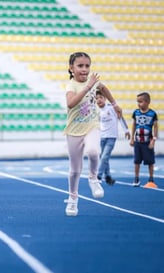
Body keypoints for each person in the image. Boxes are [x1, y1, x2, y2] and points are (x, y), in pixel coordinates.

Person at [64, 52, 122, 216]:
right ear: (71, 68)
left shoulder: (94, 82)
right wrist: (88, 86)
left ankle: (93, 178)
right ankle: (73, 199)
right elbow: (70, 103)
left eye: (87, 66)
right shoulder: (72, 86)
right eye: (80, 66)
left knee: (93, 151)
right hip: (74, 131)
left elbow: (103, 88)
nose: (84, 69)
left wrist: (115, 104)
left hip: (92, 125)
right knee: (74, 171)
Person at [95, 90, 130, 185]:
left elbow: (120, 117)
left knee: (104, 156)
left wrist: (126, 130)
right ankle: (108, 177)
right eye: (96, 98)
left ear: (105, 99)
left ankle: (98, 175)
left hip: (111, 137)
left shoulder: (111, 108)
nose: (98, 100)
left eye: (100, 98)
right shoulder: (97, 111)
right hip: (102, 137)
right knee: (104, 157)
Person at [129, 92, 158, 188]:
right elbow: (133, 125)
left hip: (147, 142)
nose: (138, 104)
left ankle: (151, 178)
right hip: (138, 141)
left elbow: (155, 127)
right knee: (136, 161)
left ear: (147, 102)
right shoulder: (136, 112)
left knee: (150, 161)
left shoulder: (152, 114)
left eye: (140, 101)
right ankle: (136, 178)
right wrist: (132, 138)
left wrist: (153, 140)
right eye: (137, 102)